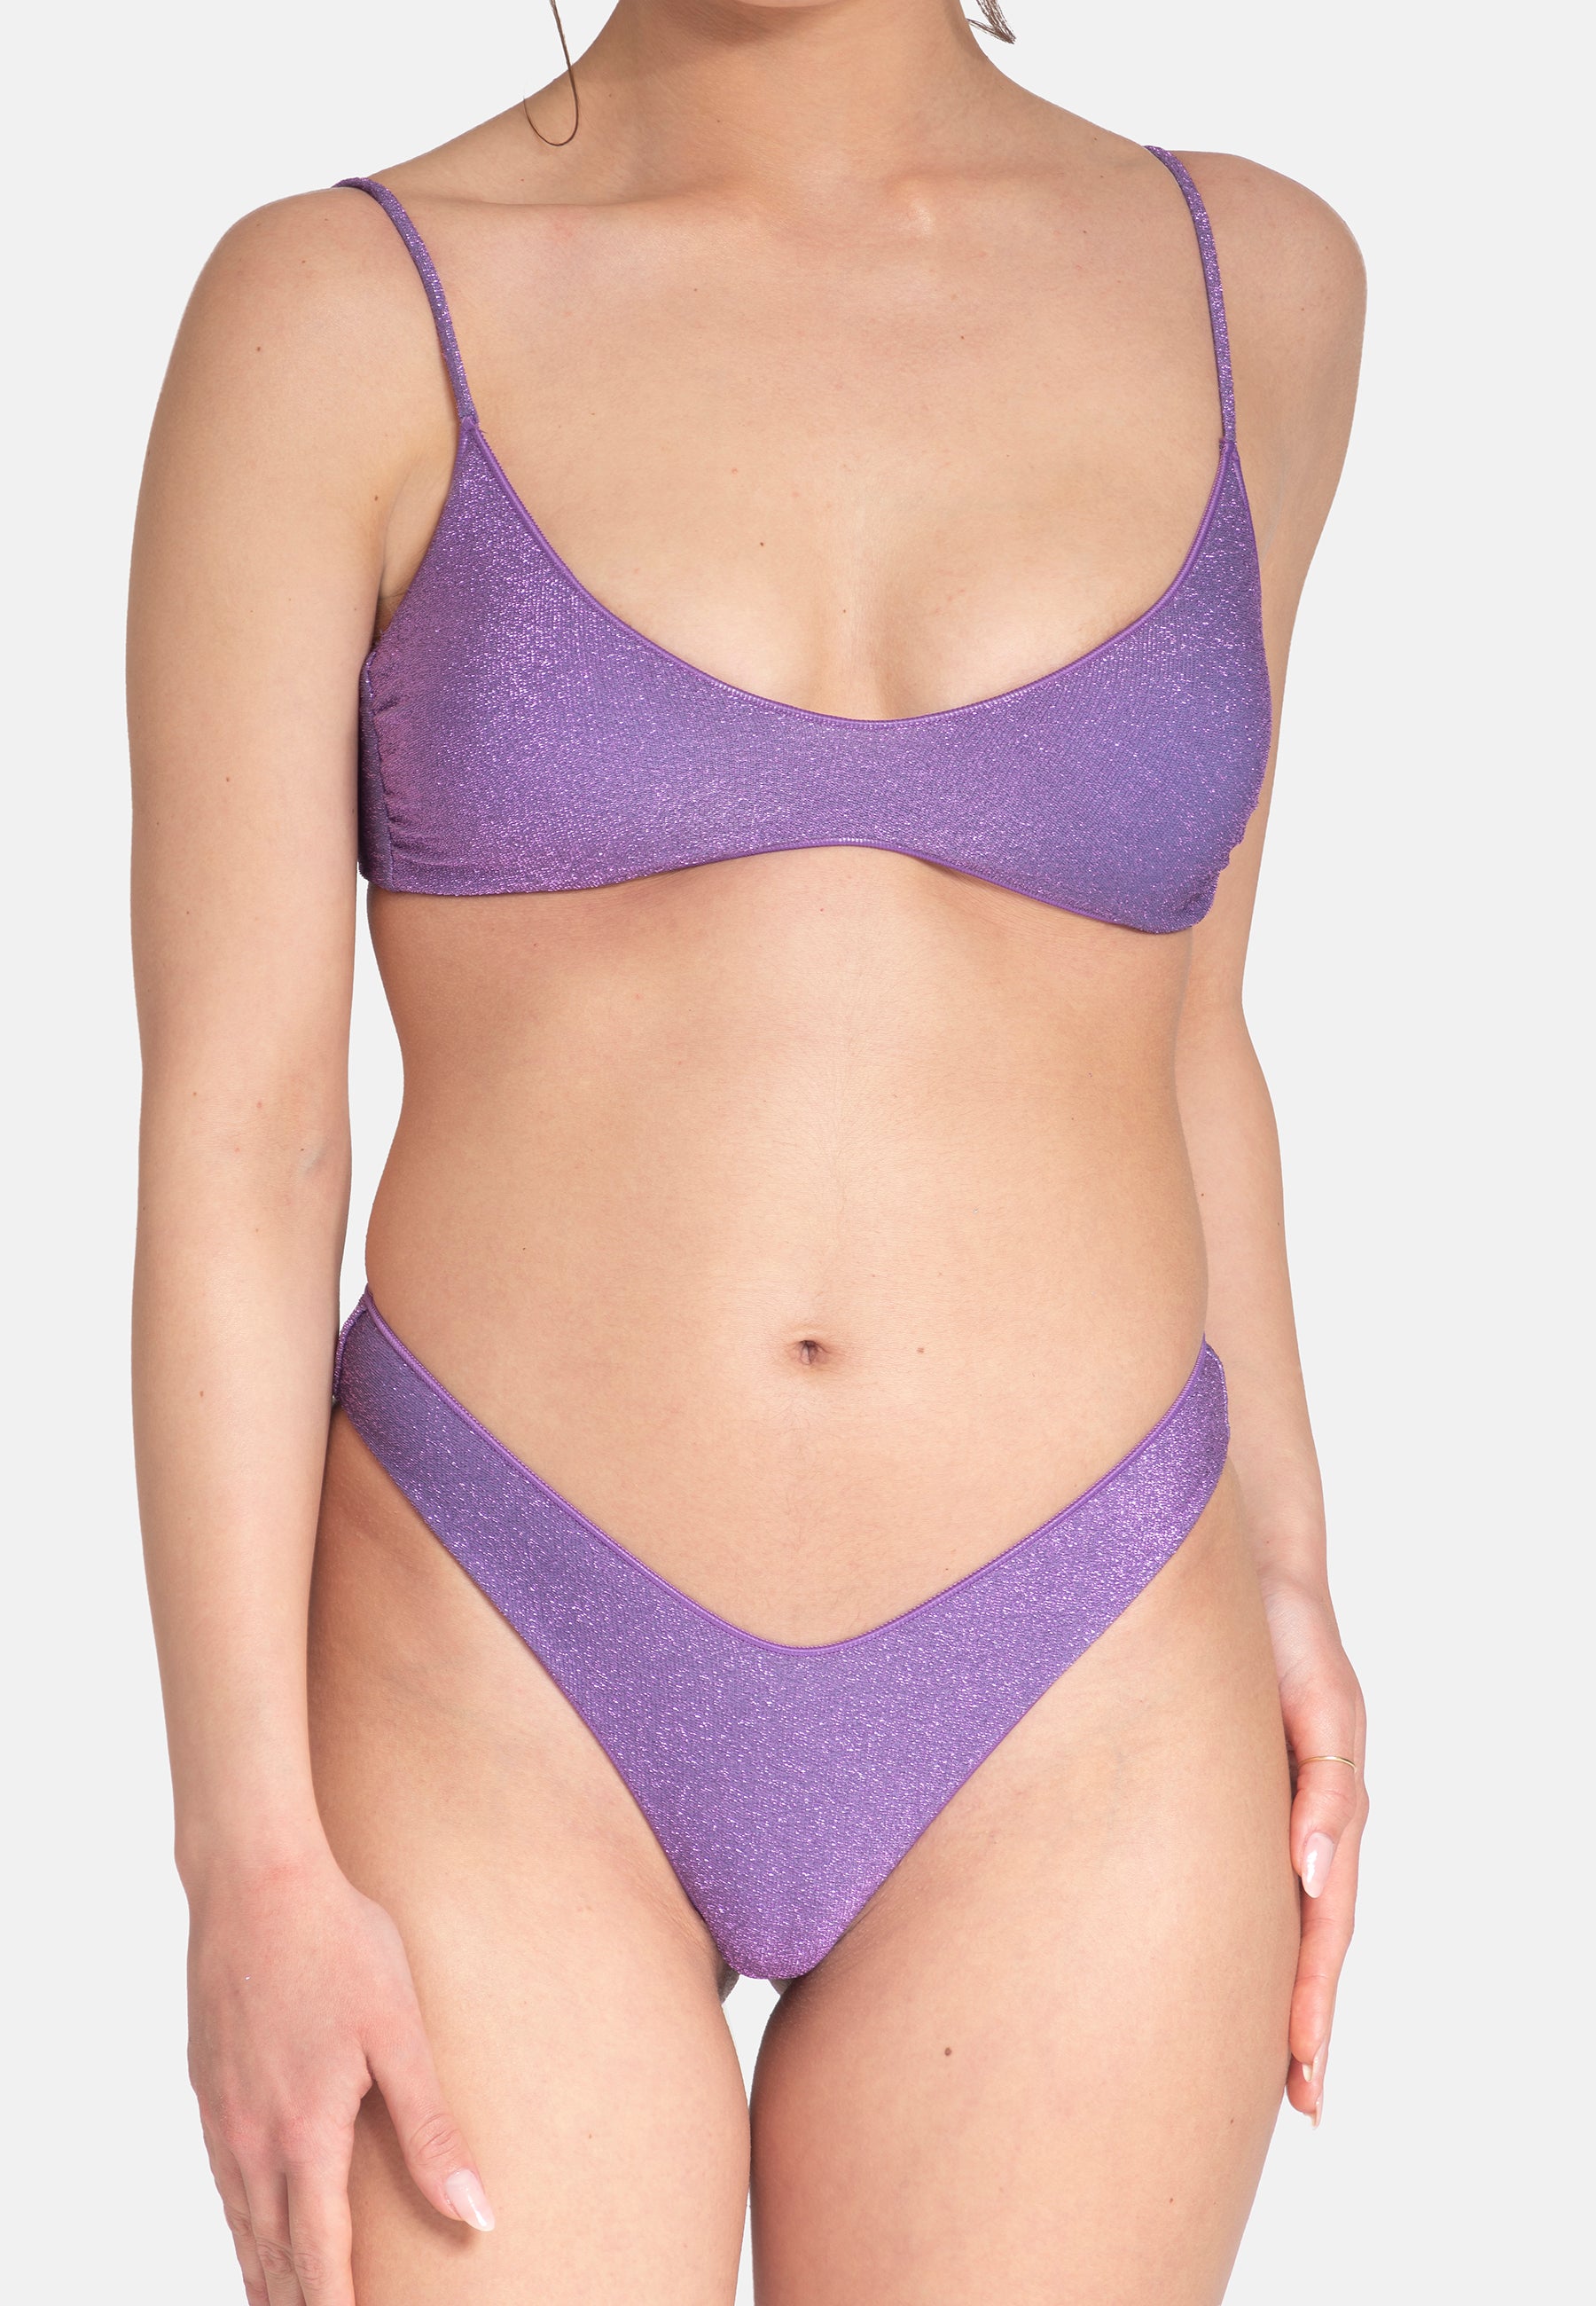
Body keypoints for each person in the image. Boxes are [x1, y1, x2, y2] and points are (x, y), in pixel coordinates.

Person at [129, 2, 1368, 2298]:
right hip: (492, 1665)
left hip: (1093, 1685)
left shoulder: (1257, 286)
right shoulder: (337, 313)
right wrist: (249, 1863)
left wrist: (1290, 1567)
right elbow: (241, 1137)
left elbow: (1190, 1019)